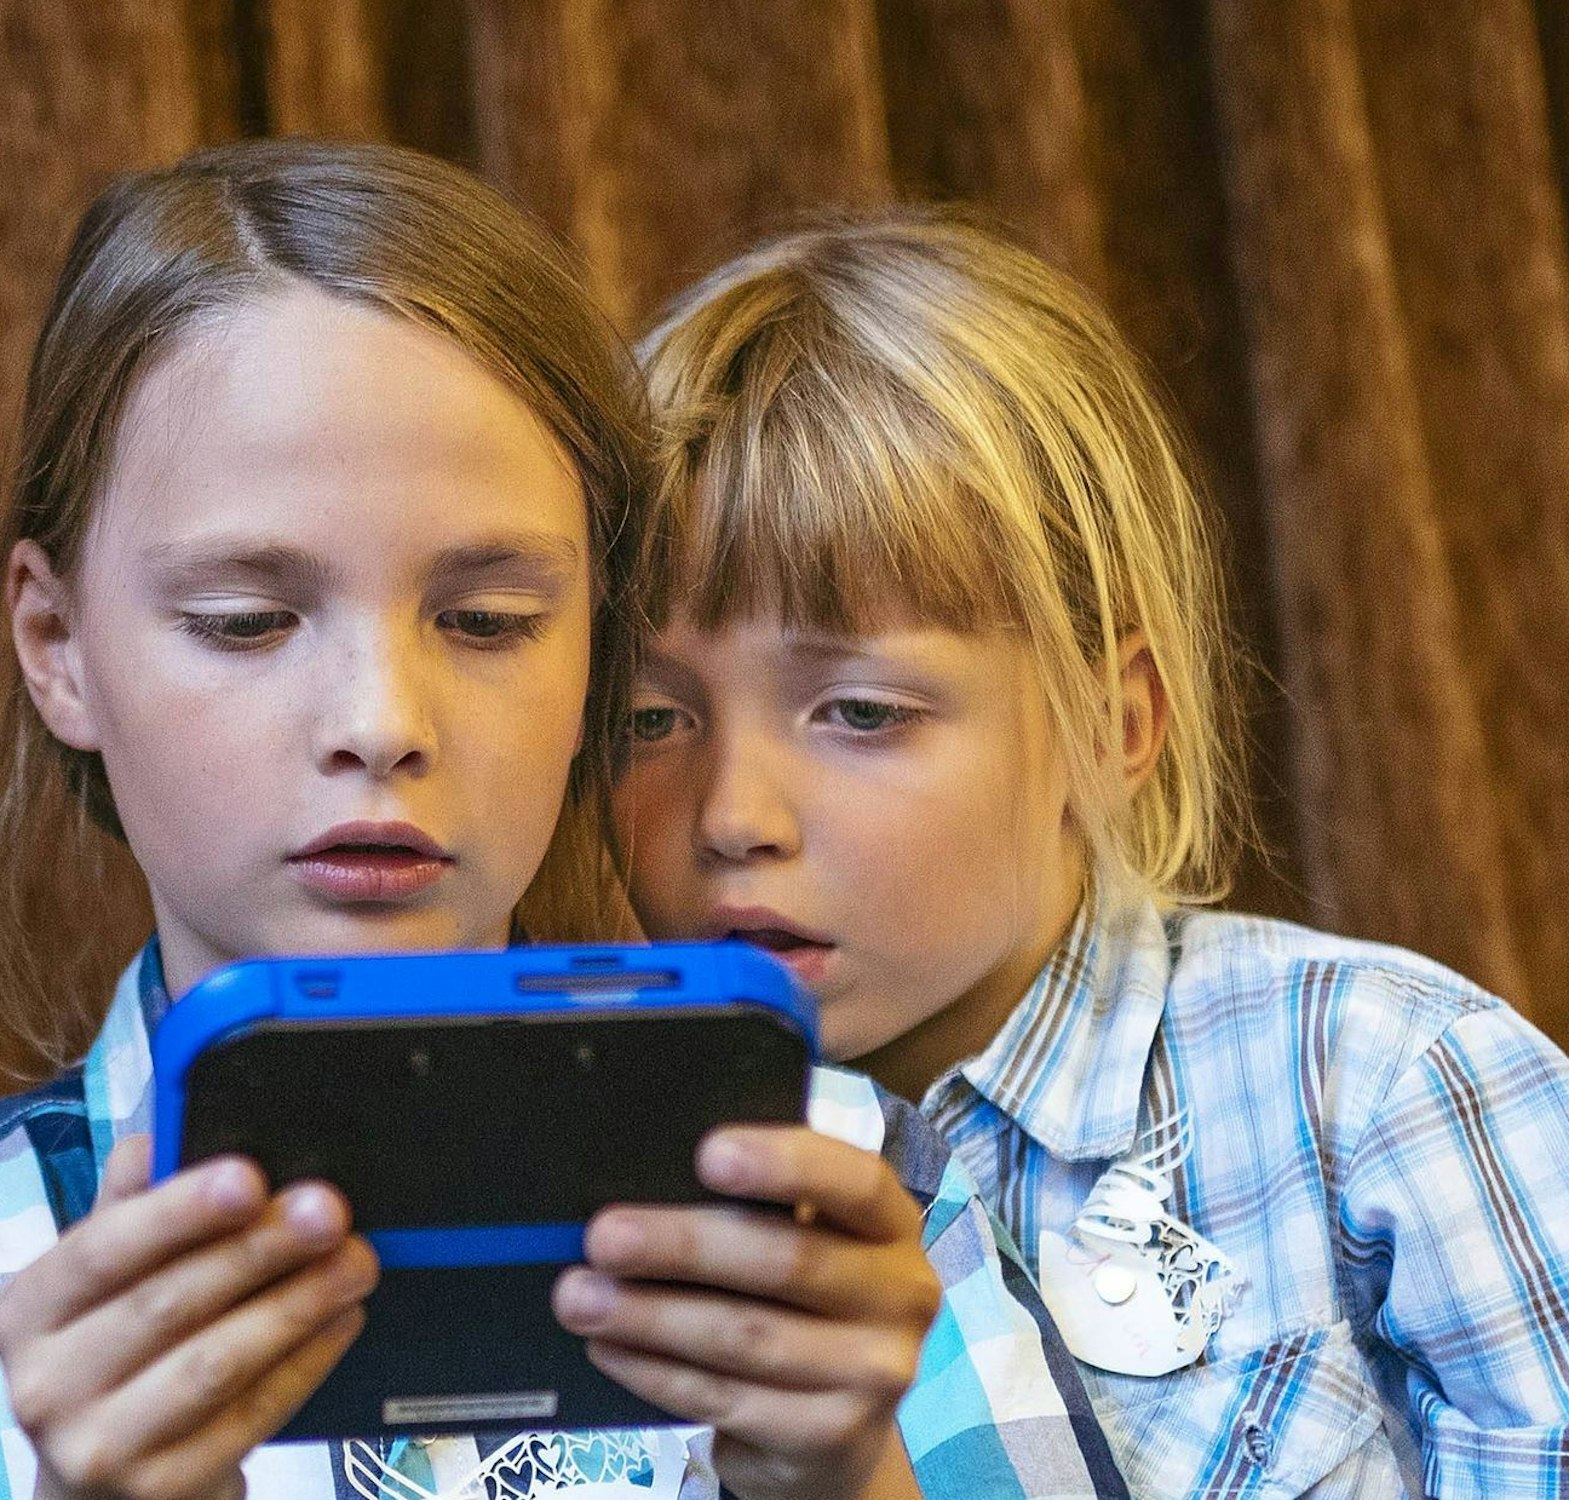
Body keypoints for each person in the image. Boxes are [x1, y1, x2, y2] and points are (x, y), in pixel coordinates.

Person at [619, 212, 1569, 1499]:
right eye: (648, 719)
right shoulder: (588, 1167)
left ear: (1113, 724)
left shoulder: (1377, 1086)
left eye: (860, 712)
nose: (732, 812)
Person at [0, 144, 1124, 1500]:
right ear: (56, 644)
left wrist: (846, 1477)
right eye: (247, 621)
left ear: (600, 648)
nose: (382, 721)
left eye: (487, 622)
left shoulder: (848, 1219)